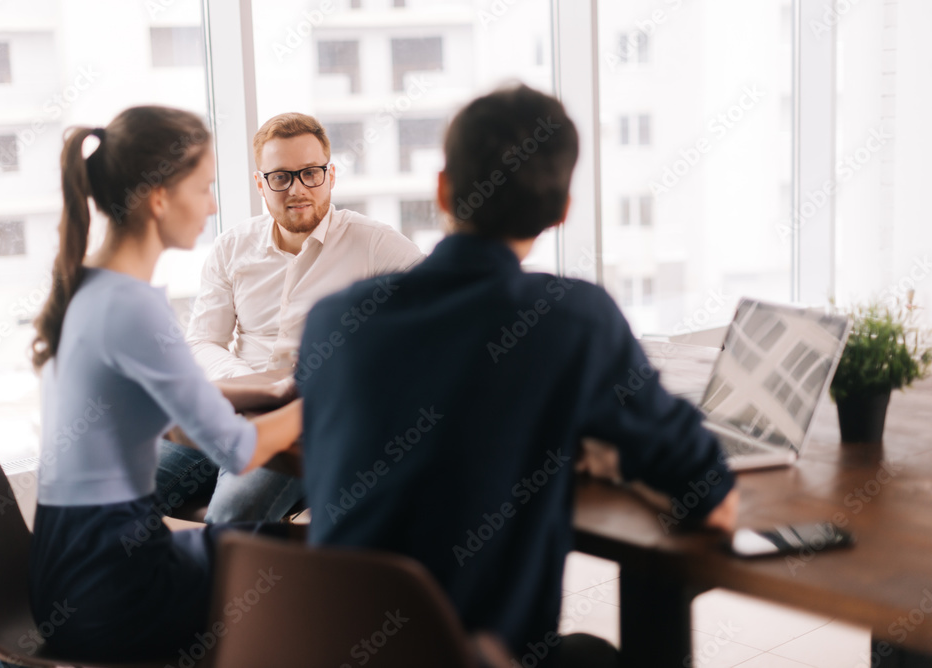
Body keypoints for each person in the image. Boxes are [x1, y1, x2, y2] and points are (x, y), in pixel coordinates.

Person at [295, 84, 739, 667]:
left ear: (442, 189)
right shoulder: (571, 317)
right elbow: (713, 501)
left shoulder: (332, 318)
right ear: (562, 211)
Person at [0, 106, 302, 667]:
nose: (212, 204)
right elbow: (237, 449)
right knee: (312, 568)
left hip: (65, 567)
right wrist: (323, 399)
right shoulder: (135, 308)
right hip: (115, 589)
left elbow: (175, 409)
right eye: (204, 188)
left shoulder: (90, 287)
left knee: (262, 550)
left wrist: (273, 395)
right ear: (158, 198)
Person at [155, 112, 424, 524]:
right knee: (122, 490)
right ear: (261, 183)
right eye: (281, 177)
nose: (298, 189)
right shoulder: (232, 247)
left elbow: (435, 329)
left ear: (331, 175)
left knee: (231, 517)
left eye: (311, 173)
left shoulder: (378, 246)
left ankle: (231, 585)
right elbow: (202, 340)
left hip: (309, 424)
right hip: (232, 408)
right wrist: (254, 383)